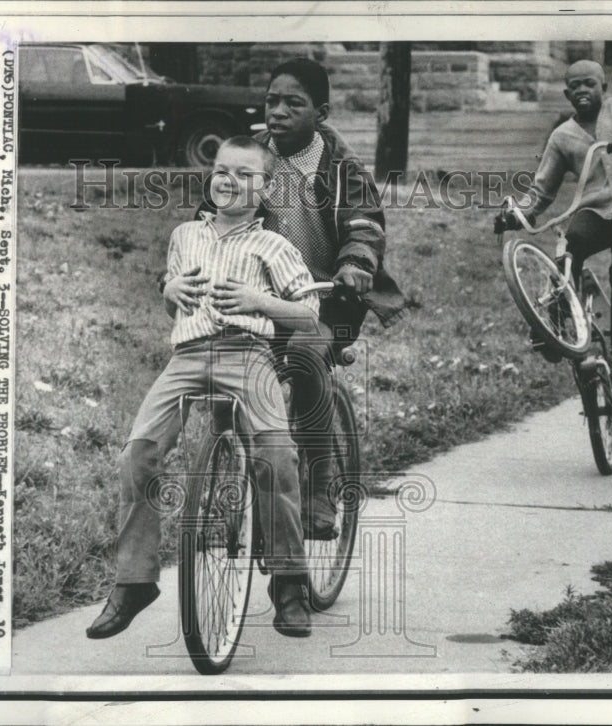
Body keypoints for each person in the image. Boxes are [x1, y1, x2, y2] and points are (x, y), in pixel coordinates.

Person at [87, 136, 320, 640]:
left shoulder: (273, 246)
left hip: (247, 355)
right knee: (137, 454)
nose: (226, 180)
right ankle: (134, 581)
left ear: (265, 188)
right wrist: (169, 291)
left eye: (242, 174)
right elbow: (176, 299)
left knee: (276, 454)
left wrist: (262, 302)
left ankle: (288, 581)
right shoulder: (185, 235)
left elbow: (307, 312)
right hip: (188, 357)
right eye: (220, 170)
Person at [200, 57, 405, 539]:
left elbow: (364, 223)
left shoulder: (342, 166)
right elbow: (210, 215)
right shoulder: (251, 158)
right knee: (223, 367)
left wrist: (355, 264)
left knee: (305, 355)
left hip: (327, 298)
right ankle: (223, 477)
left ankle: (318, 481)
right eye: (272, 101)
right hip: (258, 298)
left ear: (322, 112)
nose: (279, 111)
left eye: (294, 103)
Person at [495, 59, 612, 390]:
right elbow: (541, 190)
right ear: (567, 93)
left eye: (590, 83)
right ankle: (555, 329)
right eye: (576, 86)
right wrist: (516, 214)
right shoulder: (562, 137)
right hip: (595, 210)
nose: (583, 90)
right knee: (570, 246)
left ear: (603, 87)